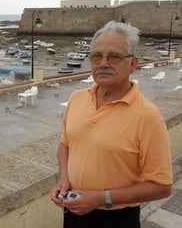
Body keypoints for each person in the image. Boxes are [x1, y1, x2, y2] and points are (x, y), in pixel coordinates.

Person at [51, 21, 173, 228]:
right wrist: (64, 178)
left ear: (133, 64)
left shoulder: (148, 116)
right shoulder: (76, 98)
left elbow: (162, 187)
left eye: (114, 57)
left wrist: (101, 197)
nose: (103, 63)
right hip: (73, 210)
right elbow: (65, 145)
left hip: (117, 218)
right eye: (96, 56)